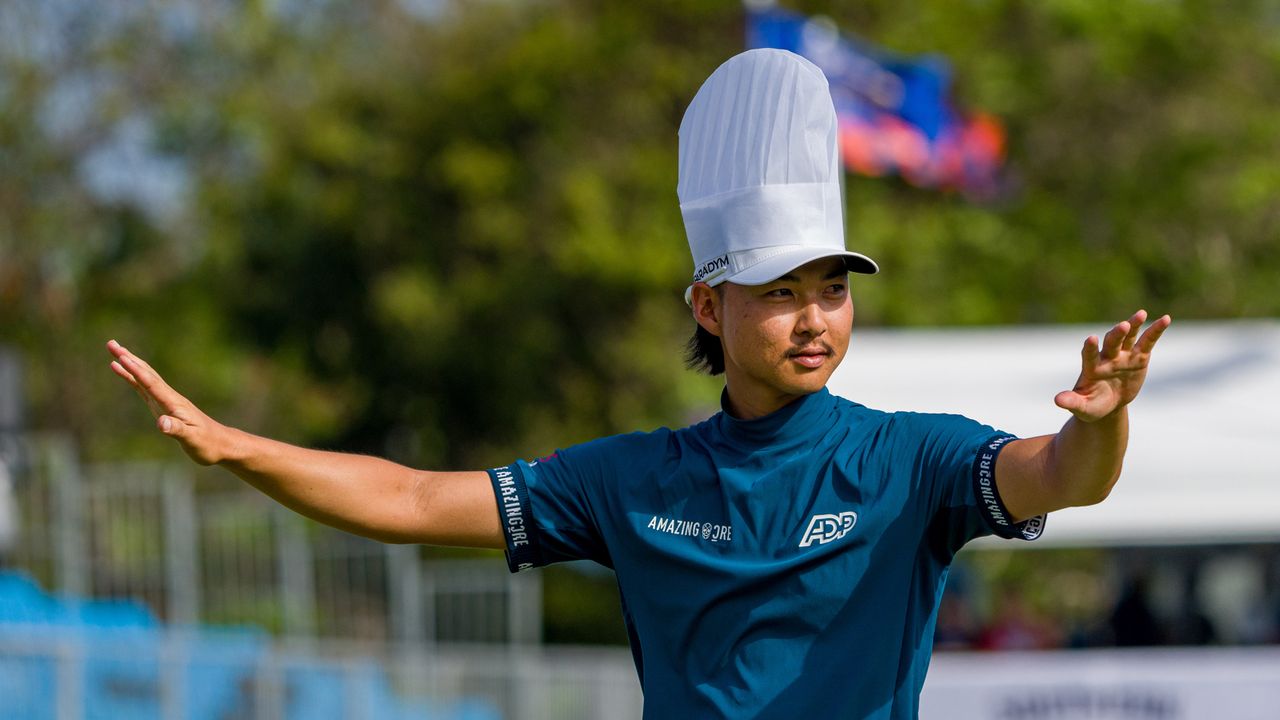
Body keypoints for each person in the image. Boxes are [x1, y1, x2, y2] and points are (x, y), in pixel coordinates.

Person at [107, 49, 1171, 719]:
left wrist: (1106, 420)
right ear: (709, 307)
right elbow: (408, 499)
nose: (811, 318)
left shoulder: (908, 457)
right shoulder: (629, 481)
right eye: (778, 292)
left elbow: (1062, 477)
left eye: (830, 290)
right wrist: (238, 448)